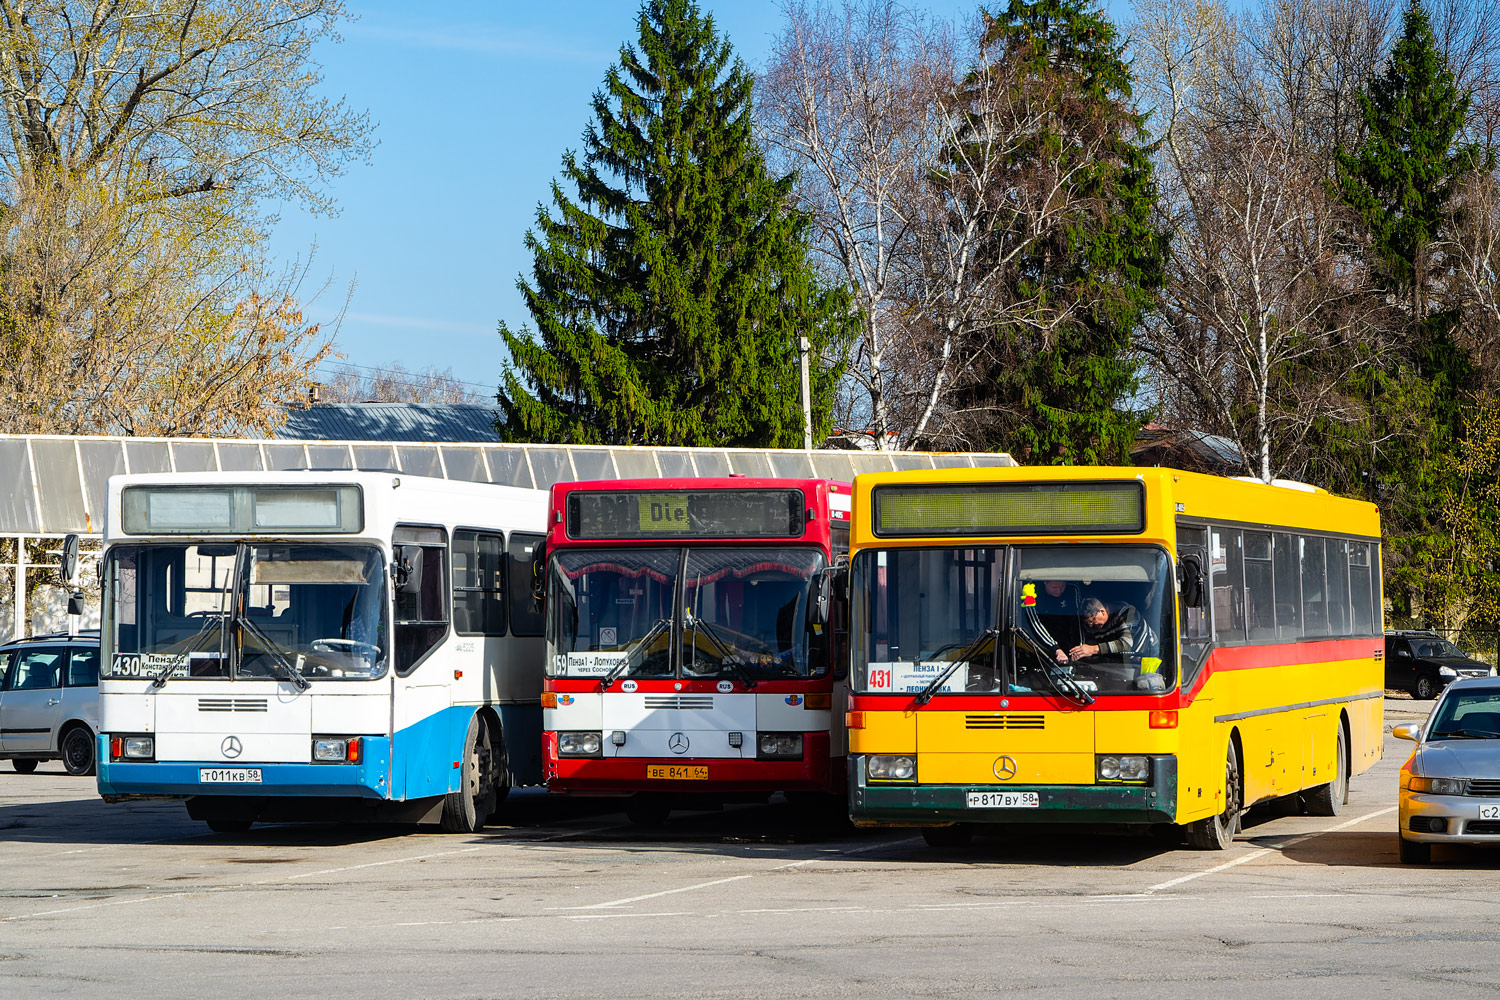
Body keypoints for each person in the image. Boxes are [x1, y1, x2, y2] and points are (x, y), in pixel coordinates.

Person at [1069, 596, 1145, 662]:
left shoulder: (1128, 613)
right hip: (1115, 664)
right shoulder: (1091, 624)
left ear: (1102, 612)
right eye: (1088, 623)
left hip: (1144, 657)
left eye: (1093, 620)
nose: (1090, 625)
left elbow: (1126, 644)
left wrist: (1093, 649)